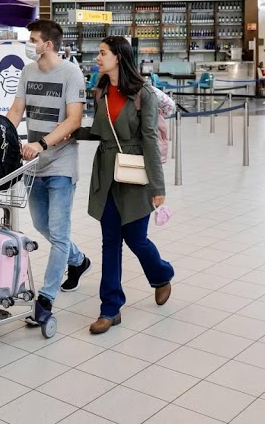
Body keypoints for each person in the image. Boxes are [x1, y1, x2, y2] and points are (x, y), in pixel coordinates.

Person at [75, 36, 173, 335]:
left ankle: (161, 274)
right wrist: (70, 132)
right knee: (110, 242)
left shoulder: (144, 94)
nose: (97, 58)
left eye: (102, 53)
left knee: (136, 238)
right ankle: (110, 308)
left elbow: (150, 142)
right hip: (106, 174)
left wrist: (158, 188)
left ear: (118, 57)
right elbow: (102, 132)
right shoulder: (101, 91)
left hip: (135, 175)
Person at [6, 19, 90, 329]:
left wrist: (41, 143)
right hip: (33, 165)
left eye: (33, 39)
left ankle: (46, 298)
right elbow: (16, 111)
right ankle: (78, 261)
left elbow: (73, 120)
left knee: (58, 231)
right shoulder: (28, 72)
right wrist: (0, 134)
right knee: (43, 225)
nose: (30, 43)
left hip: (60, 164)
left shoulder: (70, 73)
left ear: (48, 45)